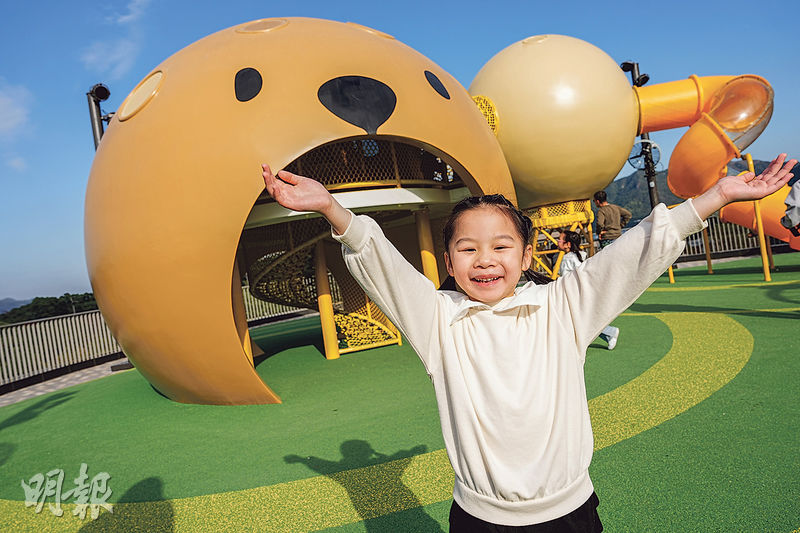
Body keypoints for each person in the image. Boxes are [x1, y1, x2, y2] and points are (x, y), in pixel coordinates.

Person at [262, 154, 796, 532]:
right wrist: (333, 209)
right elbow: (385, 269)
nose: (485, 259)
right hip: (478, 519)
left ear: (525, 255)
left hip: (570, 514)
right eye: (467, 248)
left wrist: (717, 196)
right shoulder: (439, 322)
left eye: (501, 245)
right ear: (449, 264)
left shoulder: (563, 306)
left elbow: (635, 252)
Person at [557, 230, 618, 350]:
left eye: (560, 239)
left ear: (567, 244)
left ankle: (609, 332)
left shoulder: (567, 259)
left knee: (579, 320)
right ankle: (609, 332)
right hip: (584, 292)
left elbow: (564, 280)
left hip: (574, 295)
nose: (557, 241)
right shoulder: (582, 254)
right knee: (582, 320)